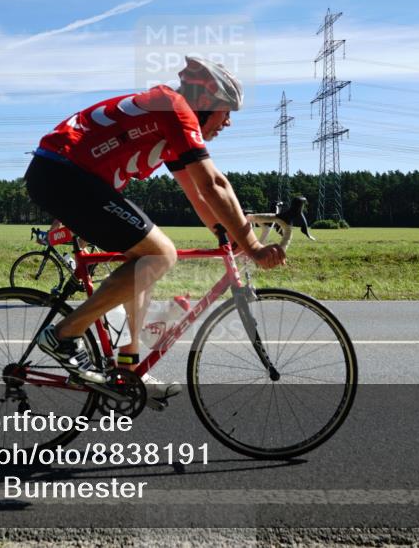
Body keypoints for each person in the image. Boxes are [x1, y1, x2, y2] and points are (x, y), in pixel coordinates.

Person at [24, 56, 286, 399]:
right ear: (206, 103)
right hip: (63, 174)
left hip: (66, 175)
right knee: (160, 253)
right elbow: (214, 185)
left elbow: (198, 194)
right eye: (227, 111)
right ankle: (62, 335)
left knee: (147, 260)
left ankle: (127, 369)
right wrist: (251, 244)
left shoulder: (168, 118)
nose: (228, 123)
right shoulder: (174, 108)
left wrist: (225, 234)